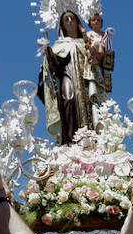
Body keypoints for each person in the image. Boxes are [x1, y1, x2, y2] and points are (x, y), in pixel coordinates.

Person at [39, 10, 94, 145]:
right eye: (66, 19)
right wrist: (48, 51)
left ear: (78, 22)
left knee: (89, 105)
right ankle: (69, 140)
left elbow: (96, 60)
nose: (70, 21)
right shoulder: (59, 45)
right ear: (62, 25)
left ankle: (90, 139)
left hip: (85, 79)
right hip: (68, 75)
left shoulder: (85, 42)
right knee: (69, 100)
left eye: (72, 18)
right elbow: (54, 65)